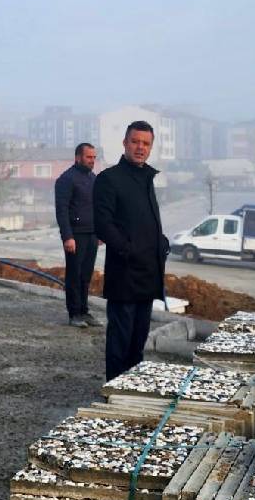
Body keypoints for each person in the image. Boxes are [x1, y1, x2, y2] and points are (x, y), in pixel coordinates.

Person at [94, 121, 169, 380]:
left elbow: (144, 220)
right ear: (125, 143)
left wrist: (161, 242)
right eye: (135, 142)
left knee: (138, 341)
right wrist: (128, 250)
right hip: (124, 273)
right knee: (120, 340)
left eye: (146, 143)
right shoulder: (109, 179)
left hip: (148, 273)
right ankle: (114, 388)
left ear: (151, 147)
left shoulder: (147, 177)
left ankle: (131, 386)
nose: (140, 147)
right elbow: (103, 224)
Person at [54, 142, 102, 328]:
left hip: (91, 235)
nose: (92, 161)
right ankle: (74, 314)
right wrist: (67, 236)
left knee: (86, 276)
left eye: (93, 158)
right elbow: (62, 210)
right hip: (75, 236)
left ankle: (84, 311)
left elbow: (98, 208)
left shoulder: (93, 178)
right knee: (74, 275)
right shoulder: (66, 179)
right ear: (78, 157)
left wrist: (100, 232)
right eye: (89, 157)